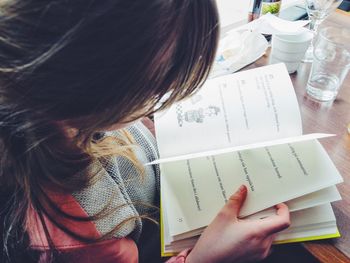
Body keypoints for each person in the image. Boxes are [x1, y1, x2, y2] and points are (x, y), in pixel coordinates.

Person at [0, 0, 290, 262]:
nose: (162, 96)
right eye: (155, 87)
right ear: (89, 91)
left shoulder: (55, 109)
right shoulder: (84, 240)